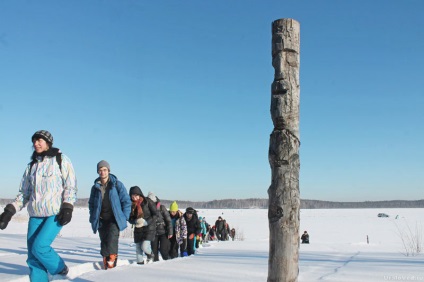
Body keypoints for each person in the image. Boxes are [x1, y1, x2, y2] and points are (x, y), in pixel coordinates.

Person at [0, 130, 77, 281]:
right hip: (35, 214)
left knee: (40, 247)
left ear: (48, 142)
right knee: (32, 256)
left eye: (39, 140)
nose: (36, 143)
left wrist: (68, 206)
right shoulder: (31, 166)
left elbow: (70, 186)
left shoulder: (61, 160)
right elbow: (24, 193)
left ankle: (60, 268)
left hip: (54, 213)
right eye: (34, 141)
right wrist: (9, 212)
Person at [89, 160, 131, 269]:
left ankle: (112, 264)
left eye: (104, 170)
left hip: (114, 219)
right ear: (98, 172)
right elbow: (91, 204)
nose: (102, 172)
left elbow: (126, 201)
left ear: (108, 171)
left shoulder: (116, 184)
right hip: (101, 219)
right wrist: (92, 217)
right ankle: (105, 263)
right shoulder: (95, 187)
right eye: (100, 170)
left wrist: (125, 216)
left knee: (112, 240)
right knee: (104, 242)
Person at [129, 186, 157, 264]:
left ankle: (150, 254)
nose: (134, 197)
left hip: (149, 228)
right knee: (138, 249)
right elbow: (129, 218)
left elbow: (155, 214)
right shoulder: (130, 205)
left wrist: (146, 222)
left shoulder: (147, 201)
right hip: (138, 229)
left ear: (140, 194)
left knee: (144, 247)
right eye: (132, 195)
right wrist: (135, 221)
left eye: (136, 195)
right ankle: (140, 264)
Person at [147, 192, 172, 262]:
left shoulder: (162, 208)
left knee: (163, 250)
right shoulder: (147, 210)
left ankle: (168, 262)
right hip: (153, 233)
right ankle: (156, 265)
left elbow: (168, 220)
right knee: (154, 251)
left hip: (163, 232)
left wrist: (170, 232)